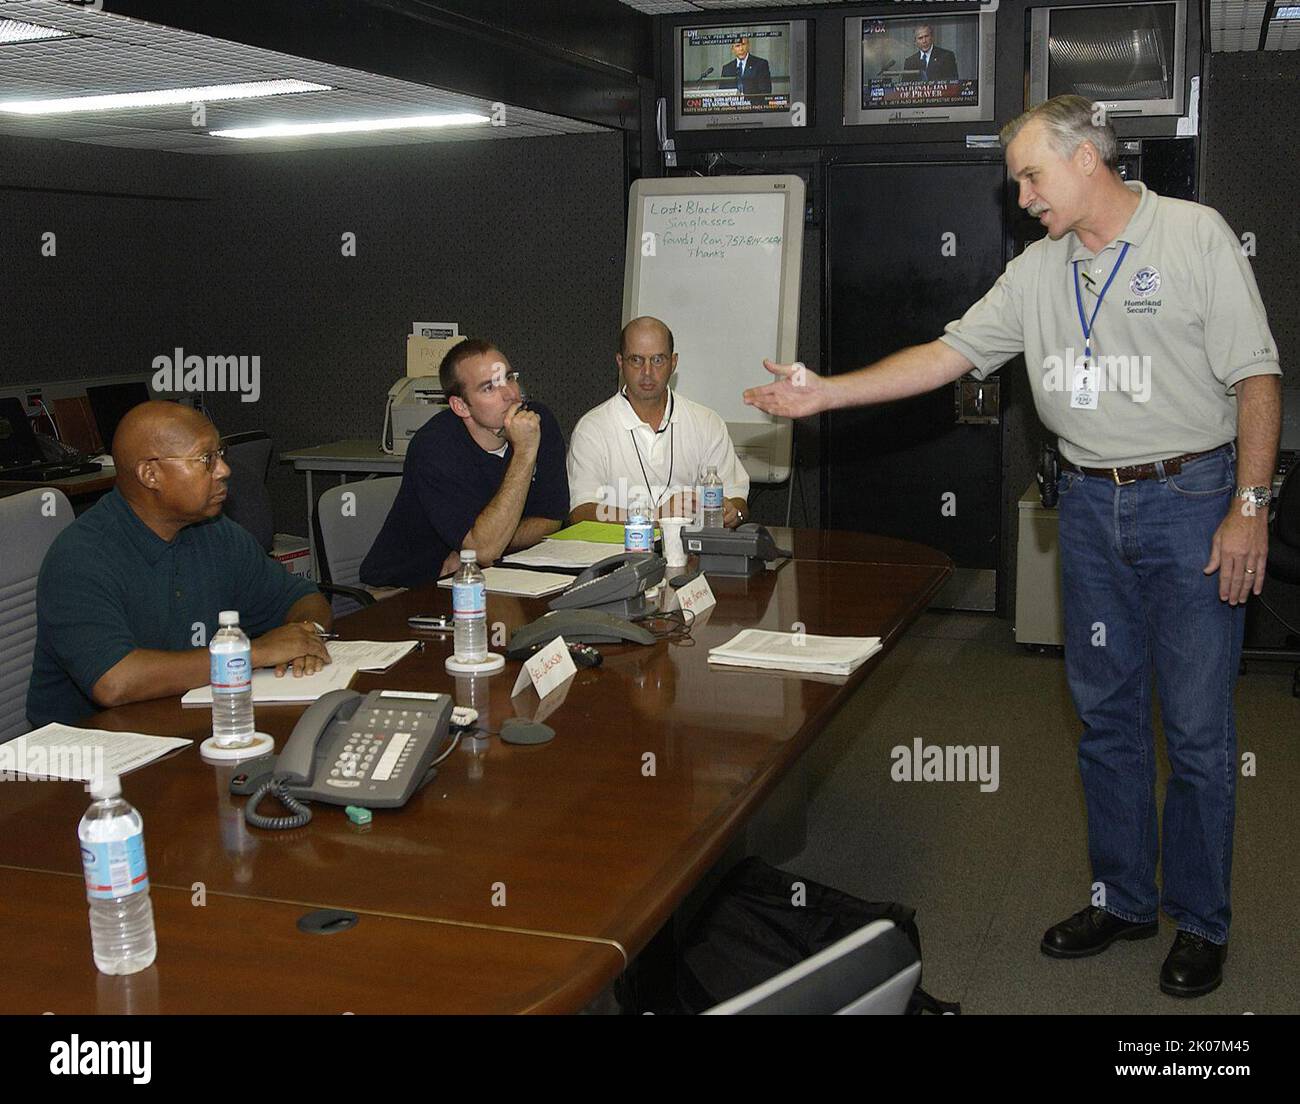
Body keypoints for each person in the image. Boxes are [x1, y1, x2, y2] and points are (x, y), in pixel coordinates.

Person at [744, 95, 1281, 999]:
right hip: (1089, 512)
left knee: (1194, 731)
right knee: (1105, 721)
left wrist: (1251, 506)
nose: (1022, 195)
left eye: (1031, 175)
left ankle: (1200, 920)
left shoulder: (1195, 236)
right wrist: (825, 393)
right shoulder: (1036, 272)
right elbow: (948, 355)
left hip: (1192, 504)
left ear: (1086, 160)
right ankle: (1122, 900)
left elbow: (1257, 376)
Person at [27, 401, 332, 728]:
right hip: (86, 753)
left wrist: (305, 638)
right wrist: (253, 653)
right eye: (206, 459)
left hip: (181, 725)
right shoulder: (80, 557)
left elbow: (302, 597)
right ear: (150, 474)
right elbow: (115, 681)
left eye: (221, 454)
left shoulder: (214, 532)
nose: (225, 470)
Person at [360, 339, 568, 587]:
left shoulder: (537, 421)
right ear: (460, 406)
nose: (510, 395)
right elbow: (485, 550)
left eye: (509, 378)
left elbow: (552, 520)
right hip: (405, 588)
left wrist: (480, 546)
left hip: (490, 576)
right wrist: (524, 453)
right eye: (489, 388)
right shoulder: (435, 447)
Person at [567, 317, 749, 527]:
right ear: (620, 362)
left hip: (692, 555)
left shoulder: (707, 423)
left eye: (657, 360)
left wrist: (734, 513)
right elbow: (581, 512)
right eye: (636, 360)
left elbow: (737, 498)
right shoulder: (592, 429)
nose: (647, 372)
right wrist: (654, 516)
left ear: (673, 363)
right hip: (617, 556)